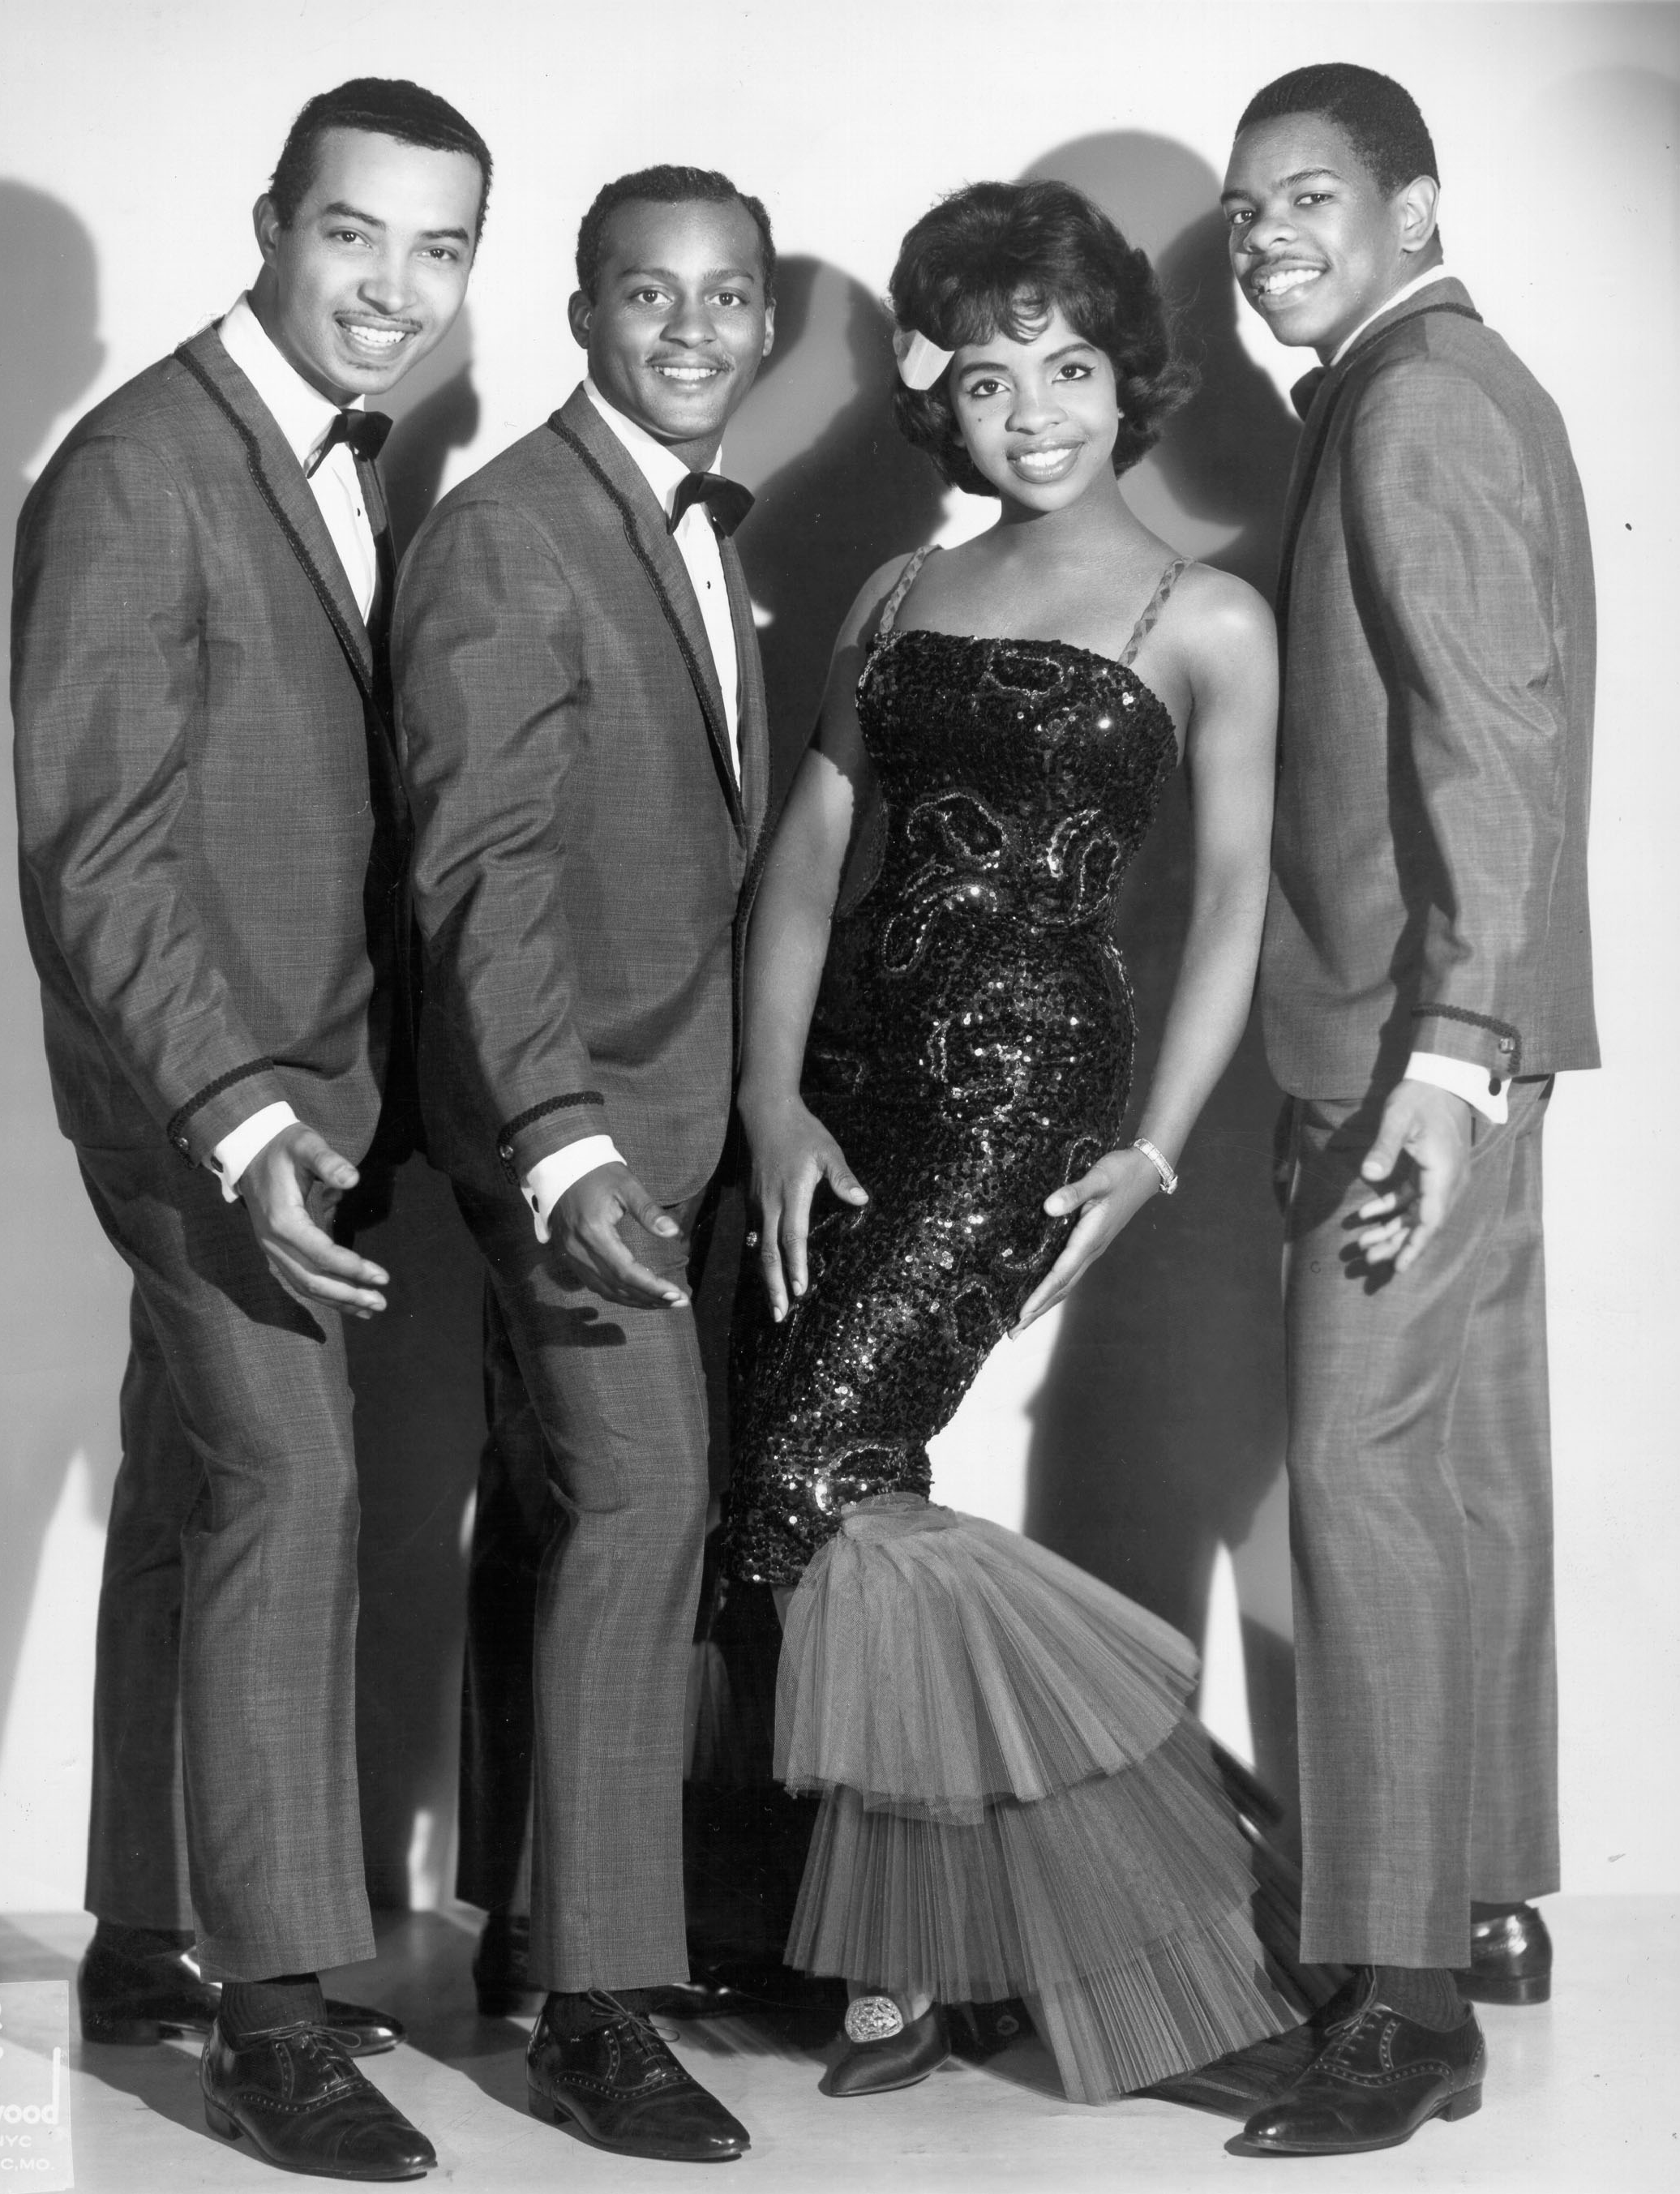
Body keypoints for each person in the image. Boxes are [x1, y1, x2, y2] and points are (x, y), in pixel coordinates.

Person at [726, 177, 1328, 2107]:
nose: (1033, 413)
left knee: (809, 1471)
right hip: (848, 1077)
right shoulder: (897, 595)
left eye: (1066, 367)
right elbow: (811, 853)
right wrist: (764, 1096)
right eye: (986, 380)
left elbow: (1231, 899)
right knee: (823, 1487)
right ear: (943, 400)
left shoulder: (1202, 613)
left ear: (1123, 377)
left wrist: (1149, 1151)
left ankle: (1188, 1889)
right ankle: (915, 1960)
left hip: (1018, 1091)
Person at [12, 77, 491, 2182]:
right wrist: (235, 1117)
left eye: (438, 250)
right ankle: (275, 2015)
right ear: (270, 222)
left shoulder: (334, 455)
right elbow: (97, 845)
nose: (391, 290)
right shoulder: (139, 468)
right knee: (290, 1481)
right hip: (198, 1096)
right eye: (354, 236)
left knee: (199, 1490)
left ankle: (141, 1930)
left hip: (304, 1079)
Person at [1217, 63, 1596, 2157]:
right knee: (1452, 1474)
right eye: (1242, 210)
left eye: (1304, 198)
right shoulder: (1443, 381)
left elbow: (1483, 743)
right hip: (1455, 1033)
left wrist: (1440, 1061)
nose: (1265, 236)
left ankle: (1393, 1996)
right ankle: (1475, 1895)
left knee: (1361, 1483)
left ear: (1409, 205)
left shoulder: (1414, 401)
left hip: (1401, 1052)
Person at [394, 165, 774, 2165]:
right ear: (579, 313)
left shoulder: (704, 530)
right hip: (583, 1137)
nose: (690, 331)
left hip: (693, 1120)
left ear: (766, 322)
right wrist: (554, 1145)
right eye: (650, 296)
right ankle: (598, 2017)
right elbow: (481, 873)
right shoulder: (508, 532)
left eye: (724, 298)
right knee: (643, 1510)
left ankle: (542, 1922)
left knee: (570, 1519)